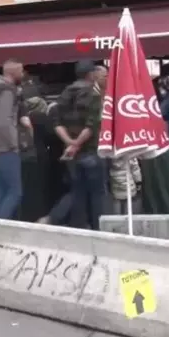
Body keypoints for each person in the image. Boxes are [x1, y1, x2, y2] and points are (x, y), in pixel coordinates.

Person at [53, 60, 104, 230]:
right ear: (91, 74)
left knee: (78, 192)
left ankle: (79, 227)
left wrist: (69, 142)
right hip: (90, 149)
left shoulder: (64, 94)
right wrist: (77, 143)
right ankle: (98, 229)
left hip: (70, 153)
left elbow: (56, 123)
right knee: (97, 194)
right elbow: (92, 125)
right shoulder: (93, 95)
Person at [0, 59, 26, 220]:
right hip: (6, 148)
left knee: (3, 192)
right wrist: (14, 143)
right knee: (15, 192)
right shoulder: (8, 91)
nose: (23, 74)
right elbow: (4, 121)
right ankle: (0, 227)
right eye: (21, 71)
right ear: (12, 73)